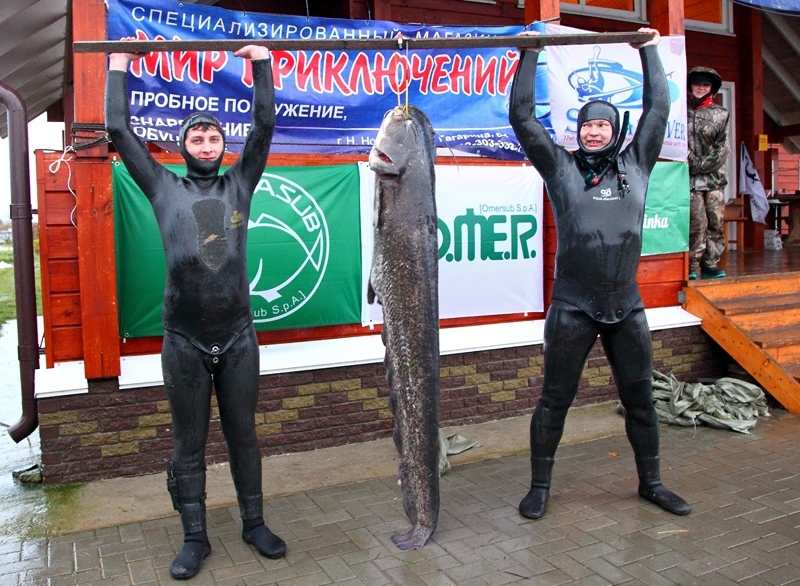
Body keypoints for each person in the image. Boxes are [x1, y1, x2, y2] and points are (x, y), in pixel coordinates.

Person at [105, 42, 286, 579]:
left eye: (213, 137)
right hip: (183, 338)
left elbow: (264, 126)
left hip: (237, 337)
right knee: (189, 442)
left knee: (244, 434)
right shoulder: (163, 186)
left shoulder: (240, 184)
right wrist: (119, 65)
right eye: (196, 137)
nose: (206, 143)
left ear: (222, 146)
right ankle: (194, 537)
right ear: (183, 147)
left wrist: (260, 63)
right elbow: (118, 129)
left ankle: (254, 523)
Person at [509, 28, 691, 520]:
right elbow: (522, 118)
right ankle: (540, 486)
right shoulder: (561, 169)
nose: (593, 132)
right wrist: (530, 54)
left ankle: (651, 483)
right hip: (572, 306)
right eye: (586, 125)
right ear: (579, 129)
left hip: (626, 305)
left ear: (615, 129)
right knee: (554, 402)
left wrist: (649, 51)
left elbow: (658, 110)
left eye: (602, 126)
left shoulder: (638, 163)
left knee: (641, 403)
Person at [687, 67, 730, 280]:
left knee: (715, 221)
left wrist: (702, 165)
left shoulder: (721, 114)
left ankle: (711, 263)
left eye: (705, 84)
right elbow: (674, 142)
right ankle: (692, 264)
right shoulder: (679, 111)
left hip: (714, 179)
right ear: (690, 86)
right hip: (689, 180)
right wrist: (691, 163)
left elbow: (722, 149)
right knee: (696, 222)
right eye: (697, 83)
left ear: (712, 89)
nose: (701, 87)